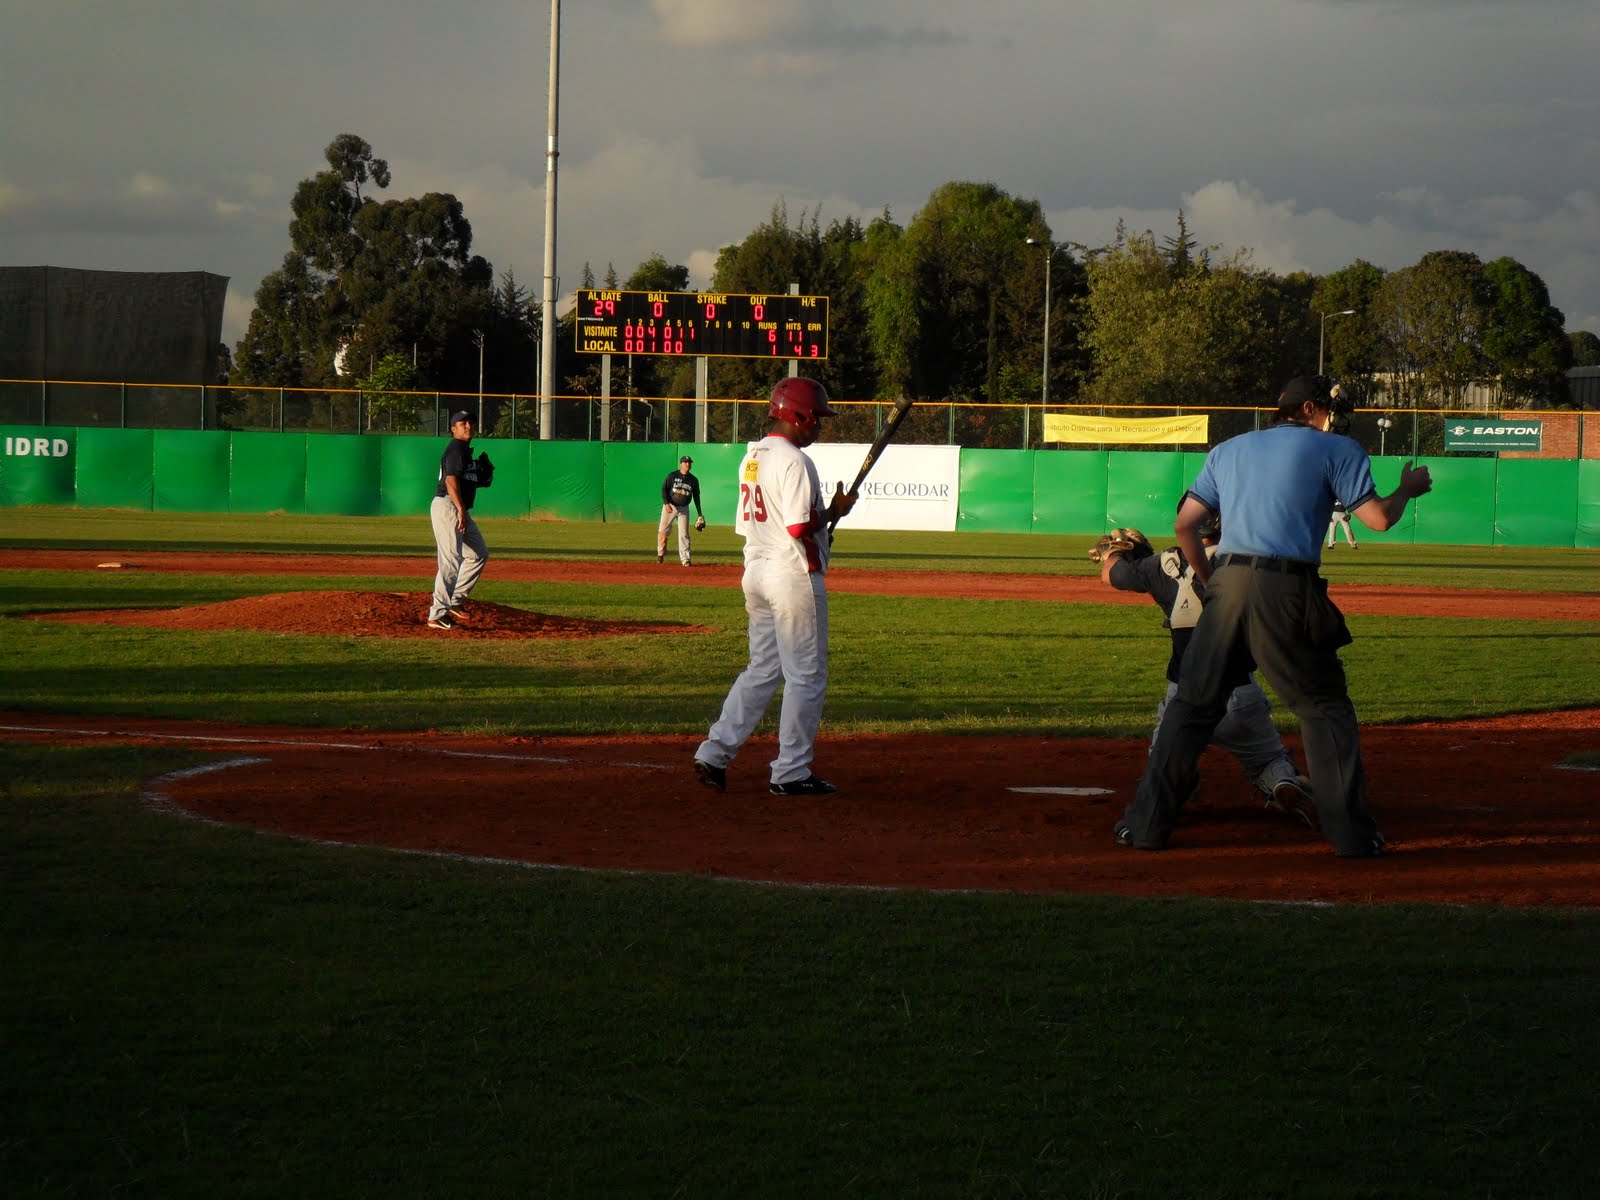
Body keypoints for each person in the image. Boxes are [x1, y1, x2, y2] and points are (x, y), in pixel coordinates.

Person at [1115, 375, 1432, 857]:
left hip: (1227, 587)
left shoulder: (1230, 449)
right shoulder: (1339, 450)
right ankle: (1351, 837)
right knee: (1324, 708)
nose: (1333, 417)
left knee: (1191, 708)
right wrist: (1407, 490)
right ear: (1308, 408)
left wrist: (1207, 577)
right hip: (1287, 588)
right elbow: (1379, 520)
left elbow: (1185, 523)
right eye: (1328, 409)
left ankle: (1145, 828)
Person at [1097, 510, 1316, 827]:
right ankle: (1282, 783)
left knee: (1165, 759)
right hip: (1239, 692)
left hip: (1183, 696)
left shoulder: (1163, 564)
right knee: (1268, 759)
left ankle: (1174, 791)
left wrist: (1118, 551)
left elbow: (1112, 574)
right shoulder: (1248, 563)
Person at [693, 377, 856, 796]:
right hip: (790, 577)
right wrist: (833, 511)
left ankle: (713, 752)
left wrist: (824, 522)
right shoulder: (796, 461)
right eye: (816, 417)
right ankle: (791, 771)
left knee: (763, 669)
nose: (819, 426)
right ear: (798, 414)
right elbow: (800, 525)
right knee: (806, 676)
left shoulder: (752, 456)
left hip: (757, 573)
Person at [427, 410, 492, 630]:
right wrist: (461, 509)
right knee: (451, 559)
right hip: (449, 506)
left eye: (470, 422)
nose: (467, 425)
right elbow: (451, 480)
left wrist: (480, 478)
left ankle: (454, 600)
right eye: (462, 423)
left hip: (457, 507)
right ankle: (437, 614)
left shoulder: (465, 452)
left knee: (478, 553)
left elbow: (465, 479)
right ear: (453, 429)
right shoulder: (456, 448)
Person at [657, 454, 706, 565]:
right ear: (681, 464)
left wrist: (700, 513)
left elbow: (696, 496)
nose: (687, 464)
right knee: (663, 531)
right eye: (685, 462)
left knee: (684, 534)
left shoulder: (693, 480)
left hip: (684, 508)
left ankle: (685, 559)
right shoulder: (672, 476)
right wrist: (666, 503)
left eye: (689, 462)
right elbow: (664, 489)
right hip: (670, 506)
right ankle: (660, 553)